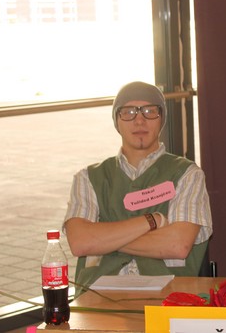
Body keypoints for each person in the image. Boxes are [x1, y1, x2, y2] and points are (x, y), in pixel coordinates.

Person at [63, 81, 212, 288]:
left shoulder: (188, 175)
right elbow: (80, 242)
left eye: (150, 111)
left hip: (167, 295)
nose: (139, 120)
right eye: (128, 112)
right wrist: (152, 220)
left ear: (162, 119)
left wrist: (104, 240)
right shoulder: (88, 178)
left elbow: (177, 245)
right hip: (98, 296)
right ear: (117, 121)